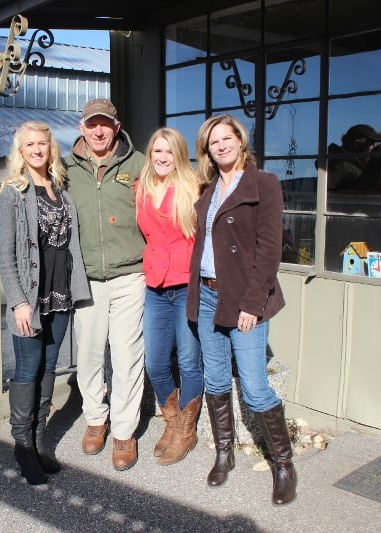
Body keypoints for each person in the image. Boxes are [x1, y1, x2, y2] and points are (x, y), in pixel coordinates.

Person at [186, 114, 297, 505]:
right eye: (212, 142)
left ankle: (284, 465)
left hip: (244, 299)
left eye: (225, 138)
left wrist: (253, 304)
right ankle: (224, 453)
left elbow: (270, 249)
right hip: (208, 295)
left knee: (253, 387)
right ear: (208, 151)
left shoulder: (263, 183)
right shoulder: (208, 188)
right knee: (215, 380)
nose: (220, 146)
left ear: (239, 139)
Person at [0, 120, 91, 485]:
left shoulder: (61, 190)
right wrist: (19, 302)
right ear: (20, 151)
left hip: (61, 294)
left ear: (52, 149)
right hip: (31, 299)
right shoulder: (13, 193)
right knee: (28, 369)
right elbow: (4, 256)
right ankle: (22, 448)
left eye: (43, 144)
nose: (37, 150)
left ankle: (38, 444)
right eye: (30, 145)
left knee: (49, 369)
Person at [64, 98, 146, 471]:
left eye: (105, 124)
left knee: (128, 358)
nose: (98, 131)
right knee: (89, 355)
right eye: (91, 124)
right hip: (86, 279)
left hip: (131, 275)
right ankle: (96, 419)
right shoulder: (64, 169)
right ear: (82, 128)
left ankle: (124, 432)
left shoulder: (139, 163)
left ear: (116, 126)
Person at [135, 127, 203, 466]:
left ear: (179, 155)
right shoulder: (141, 190)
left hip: (186, 286)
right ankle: (173, 421)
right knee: (156, 362)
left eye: (169, 152)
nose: (163, 158)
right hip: (155, 288)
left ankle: (186, 432)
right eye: (157, 151)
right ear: (151, 155)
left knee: (189, 361)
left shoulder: (193, 188)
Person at [327, 124, 381, 191]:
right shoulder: (341, 167)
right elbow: (331, 196)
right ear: (357, 144)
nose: (375, 148)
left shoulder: (350, 166)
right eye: (372, 144)